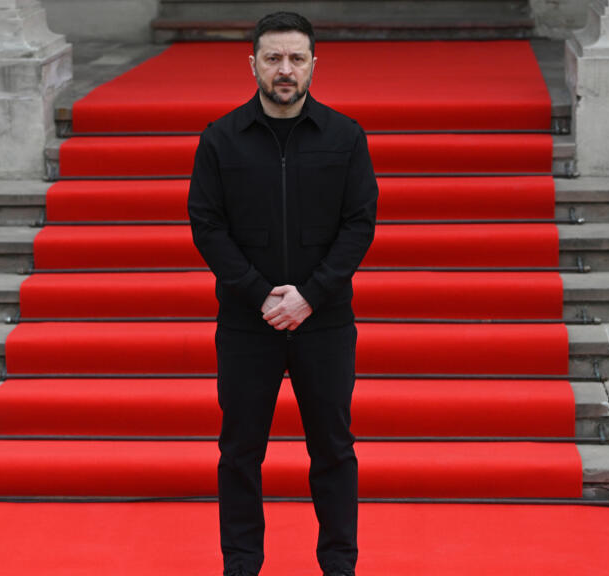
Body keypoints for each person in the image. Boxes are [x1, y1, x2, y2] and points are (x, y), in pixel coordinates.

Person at [187, 11, 378, 576]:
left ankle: (339, 565)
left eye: (296, 58)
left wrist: (310, 296)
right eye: (273, 58)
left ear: (315, 64)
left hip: (325, 322)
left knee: (334, 451)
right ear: (253, 65)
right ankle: (241, 565)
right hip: (248, 323)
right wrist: (258, 294)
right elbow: (207, 225)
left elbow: (359, 224)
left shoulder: (345, 137)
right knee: (240, 453)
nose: (285, 70)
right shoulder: (220, 139)